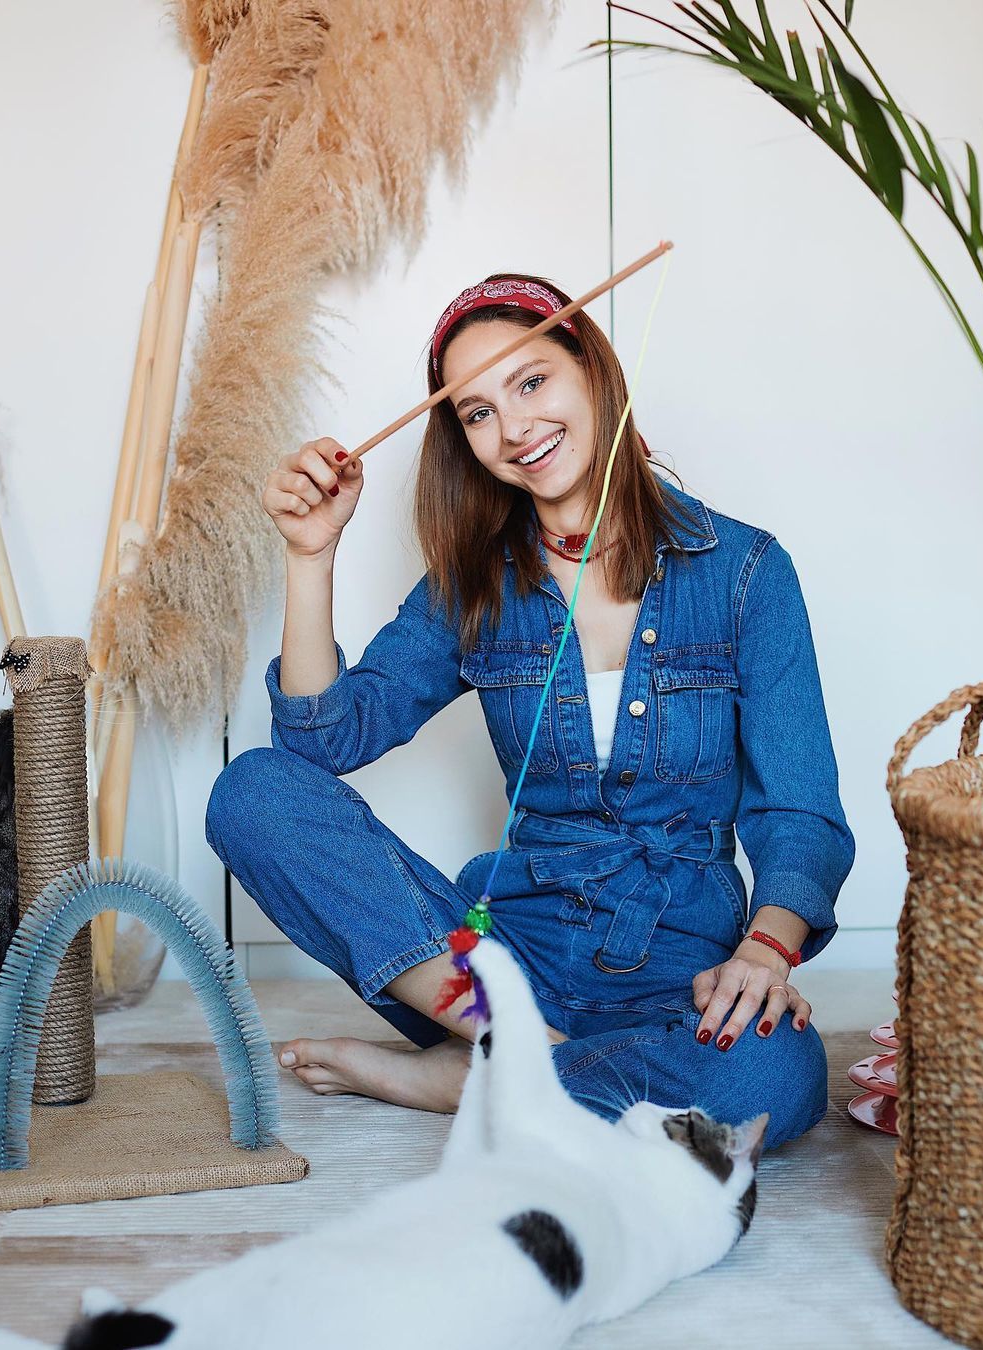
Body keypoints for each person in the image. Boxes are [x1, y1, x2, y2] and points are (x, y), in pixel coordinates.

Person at [205, 273, 856, 1150]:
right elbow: (320, 743)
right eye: (478, 412)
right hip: (487, 977)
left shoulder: (745, 572)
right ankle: (517, 1052)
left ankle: (467, 1080)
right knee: (251, 790)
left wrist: (765, 952)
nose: (513, 428)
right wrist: (309, 557)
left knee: (777, 1073)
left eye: (532, 381)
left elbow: (802, 815)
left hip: (679, 976)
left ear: (591, 369)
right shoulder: (471, 584)